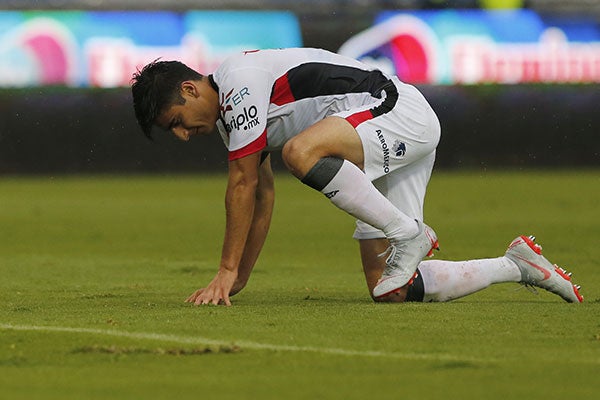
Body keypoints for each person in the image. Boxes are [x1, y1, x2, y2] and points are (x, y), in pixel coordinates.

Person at [130, 47, 583, 305]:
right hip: (375, 138)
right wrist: (240, 277)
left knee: (299, 151)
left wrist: (224, 270)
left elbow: (243, 184)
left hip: (398, 111)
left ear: (190, 89)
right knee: (390, 289)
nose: (183, 135)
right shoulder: (231, 119)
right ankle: (517, 266)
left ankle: (410, 232)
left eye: (176, 121)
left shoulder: (238, 83)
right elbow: (263, 197)